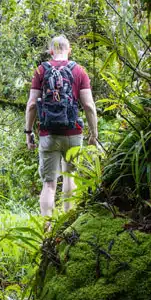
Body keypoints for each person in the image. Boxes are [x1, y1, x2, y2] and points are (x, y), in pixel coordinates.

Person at [24, 34, 99, 216]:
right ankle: (66, 224)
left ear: (51, 51)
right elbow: (88, 106)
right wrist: (93, 134)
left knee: (49, 184)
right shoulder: (79, 71)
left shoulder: (41, 70)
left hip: (48, 134)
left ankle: (46, 229)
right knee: (69, 176)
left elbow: (32, 104)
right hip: (73, 134)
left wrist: (28, 132)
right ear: (69, 50)